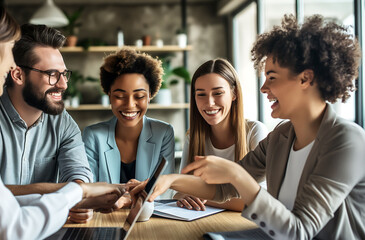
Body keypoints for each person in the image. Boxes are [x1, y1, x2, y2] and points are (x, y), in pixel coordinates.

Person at [133, 14, 365, 239]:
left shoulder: (347, 140)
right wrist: (169, 181)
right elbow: (223, 190)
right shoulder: (280, 138)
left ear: (305, 79)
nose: (263, 88)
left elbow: (299, 232)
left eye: (272, 77)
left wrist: (235, 173)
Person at [0, 0, 125, 239]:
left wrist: (82, 194)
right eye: (8, 51)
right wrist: (79, 191)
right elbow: (11, 228)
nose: (10, 64)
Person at [0, 23, 94, 223]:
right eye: (52, 74)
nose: (63, 84)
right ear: (18, 75)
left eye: (64, 74)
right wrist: (72, 193)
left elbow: (79, 174)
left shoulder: (63, 123)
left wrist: (79, 198)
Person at [83, 48, 175, 208]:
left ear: (150, 96)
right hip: (104, 219)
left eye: (139, 96)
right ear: (109, 95)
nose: (130, 105)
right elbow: (87, 190)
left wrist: (125, 200)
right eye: (119, 96)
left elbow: (164, 192)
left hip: (150, 220)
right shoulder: (93, 135)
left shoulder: (164, 133)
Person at [175, 58, 267, 211]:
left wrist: (204, 198)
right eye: (201, 94)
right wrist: (185, 195)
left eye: (218, 93)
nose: (209, 102)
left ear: (234, 94)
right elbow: (180, 192)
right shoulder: (193, 137)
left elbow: (262, 200)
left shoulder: (255, 131)